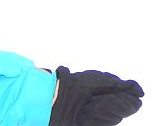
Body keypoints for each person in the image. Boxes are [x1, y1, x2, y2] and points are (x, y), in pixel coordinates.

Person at [0, 50, 144, 126]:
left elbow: (15, 62)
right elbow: (16, 62)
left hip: (62, 92)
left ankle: (131, 95)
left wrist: (36, 72)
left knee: (120, 93)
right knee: (121, 95)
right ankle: (131, 96)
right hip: (59, 102)